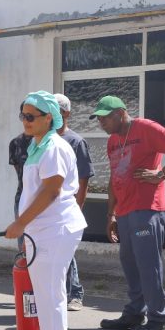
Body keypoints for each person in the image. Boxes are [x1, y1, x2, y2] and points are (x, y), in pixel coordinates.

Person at [92, 96, 165, 330]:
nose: (102, 123)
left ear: (121, 113)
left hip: (146, 208)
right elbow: (114, 178)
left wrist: (162, 174)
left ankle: (159, 319)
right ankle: (135, 313)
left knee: (148, 265)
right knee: (131, 265)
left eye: (106, 117)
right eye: (99, 119)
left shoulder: (145, 128)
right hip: (124, 211)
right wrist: (111, 214)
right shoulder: (113, 141)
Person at [4, 91, 87, 330]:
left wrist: (20, 222)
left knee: (50, 289)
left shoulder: (54, 147)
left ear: (48, 118)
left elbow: (51, 192)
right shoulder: (38, 144)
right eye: (23, 115)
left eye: (31, 116)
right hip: (41, 230)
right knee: (42, 289)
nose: (25, 121)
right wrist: (26, 227)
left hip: (56, 228)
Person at [54, 93, 94, 311]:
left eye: (56, 110)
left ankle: (75, 292)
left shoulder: (75, 142)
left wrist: (77, 208)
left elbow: (84, 179)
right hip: (49, 208)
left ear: (66, 113)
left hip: (67, 207)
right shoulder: (43, 139)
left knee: (65, 250)